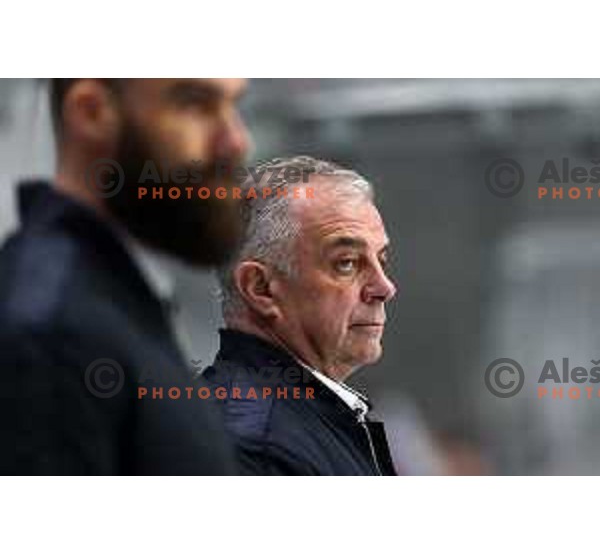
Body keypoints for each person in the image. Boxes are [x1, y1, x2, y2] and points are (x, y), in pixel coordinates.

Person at [0, 78, 250, 475]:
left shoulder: (108, 299)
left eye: (233, 104)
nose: (236, 141)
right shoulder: (52, 333)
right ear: (92, 113)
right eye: (196, 104)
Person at [205, 156, 398, 475]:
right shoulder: (251, 447)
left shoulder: (290, 423)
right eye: (347, 262)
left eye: (382, 260)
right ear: (261, 288)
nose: (384, 287)